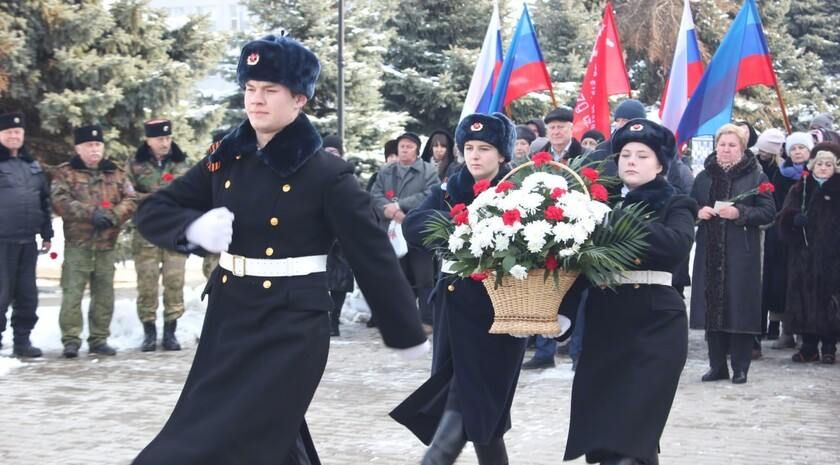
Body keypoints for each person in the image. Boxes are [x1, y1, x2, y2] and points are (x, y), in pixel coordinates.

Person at [131, 35, 428, 465]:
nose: (256, 100)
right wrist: (191, 228)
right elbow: (154, 209)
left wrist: (403, 329)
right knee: (238, 435)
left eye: (270, 90)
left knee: (230, 441)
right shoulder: (226, 156)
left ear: (299, 99)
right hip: (230, 320)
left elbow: (370, 254)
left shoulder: (327, 172)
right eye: (250, 88)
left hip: (291, 328)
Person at [392, 112, 571, 465]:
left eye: (485, 148)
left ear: (503, 155)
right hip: (452, 313)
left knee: (472, 403)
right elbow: (414, 226)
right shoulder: (448, 189)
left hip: (500, 315)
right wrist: (460, 224)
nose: (475, 155)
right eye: (469, 147)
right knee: (481, 420)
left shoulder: (522, 193)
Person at [562, 118, 697, 465]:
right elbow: (580, 264)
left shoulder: (676, 203)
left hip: (656, 326)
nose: (631, 161)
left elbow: (676, 246)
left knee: (634, 433)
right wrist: (563, 311)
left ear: (661, 164)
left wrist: (618, 219)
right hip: (606, 326)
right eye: (625, 154)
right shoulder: (595, 204)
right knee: (610, 440)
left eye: (642, 155)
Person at [689, 123, 776, 385]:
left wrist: (741, 213)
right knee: (712, 308)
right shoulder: (704, 177)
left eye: (731, 145)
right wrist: (698, 212)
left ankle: (740, 367)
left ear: (741, 148)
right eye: (722, 145)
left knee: (740, 308)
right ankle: (717, 366)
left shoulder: (756, 176)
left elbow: (769, 212)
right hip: (709, 251)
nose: (725, 150)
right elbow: (690, 205)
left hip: (742, 253)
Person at [51, 124, 137, 358]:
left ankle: (99, 339)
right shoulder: (66, 172)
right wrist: (91, 214)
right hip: (78, 245)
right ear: (78, 148)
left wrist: (113, 215)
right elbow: (60, 200)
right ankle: (71, 340)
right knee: (72, 294)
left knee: (104, 295)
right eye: (89, 145)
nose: (94, 149)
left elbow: (130, 198)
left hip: (106, 245)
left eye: (98, 145)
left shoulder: (116, 172)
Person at [126, 119, 191, 352]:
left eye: (168, 138)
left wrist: (153, 196)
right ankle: (149, 332)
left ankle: (171, 333)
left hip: (175, 231)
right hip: (147, 233)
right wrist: (161, 198)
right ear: (148, 140)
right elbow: (128, 196)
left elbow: (191, 194)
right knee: (147, 283)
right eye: (160, 139)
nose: (165, 143)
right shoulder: (134, 164)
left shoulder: (182, 162)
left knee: (175, 281)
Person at [778, 143, 840, 364]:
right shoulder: (801, 188)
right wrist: (793, 220)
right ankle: (809, 345)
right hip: (804, 256)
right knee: (804, 298)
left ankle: (830, 345)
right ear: (813, 166)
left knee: (830, 300)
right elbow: (783, 218)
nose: (823, 168)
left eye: (829, 164)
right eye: (820, 164)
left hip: (833, 258)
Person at [371, 131, 439, 328]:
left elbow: (430, 194)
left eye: (409, 146)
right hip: (392, 230)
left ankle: (427, 319)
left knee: (424, 276)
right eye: (402, 146)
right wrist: (391, 211)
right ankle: (403, 319)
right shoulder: (387, 171)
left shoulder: (428, 171)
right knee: (398, 277)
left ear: (417, 149)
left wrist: (401, 207)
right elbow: (375, 194)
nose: (404, 150)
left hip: (418, 230)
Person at [0, 112, 52, 357]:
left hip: (27, 242)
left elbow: (43, 201)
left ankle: (22, 341)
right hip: (2, 242)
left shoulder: (32, 165)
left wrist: (47, 232)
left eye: (17, 132)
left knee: (27, 295)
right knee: (0, 295)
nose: (13, 136)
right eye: (9, 131)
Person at [769, 131, 814, 350]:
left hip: (810, 238)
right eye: (794, 148)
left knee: (806, 284)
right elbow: (777, 204)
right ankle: (786, 330)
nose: (797, 152)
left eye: (802, 148)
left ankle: (807, 332)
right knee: (784, 283)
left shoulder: (815, 172)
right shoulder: (781, 174)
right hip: (785, 235)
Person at [754, 128, 787, 340]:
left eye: (767, 150)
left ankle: (774, 324)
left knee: (774, 280)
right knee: (758, 280)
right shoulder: (754, 166)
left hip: (778, 231)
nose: (763, 154)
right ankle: (758, 326)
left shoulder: (783, 170)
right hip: (760, 228)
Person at [321, 134, 354, 337]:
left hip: (343, 235)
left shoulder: (347, 175)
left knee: (340, 281)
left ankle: (334, 320)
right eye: (327, 152)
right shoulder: (314, 173)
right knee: (322, 279)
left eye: (334, 152)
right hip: (321, 235)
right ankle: (324, 318)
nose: (331, 156)